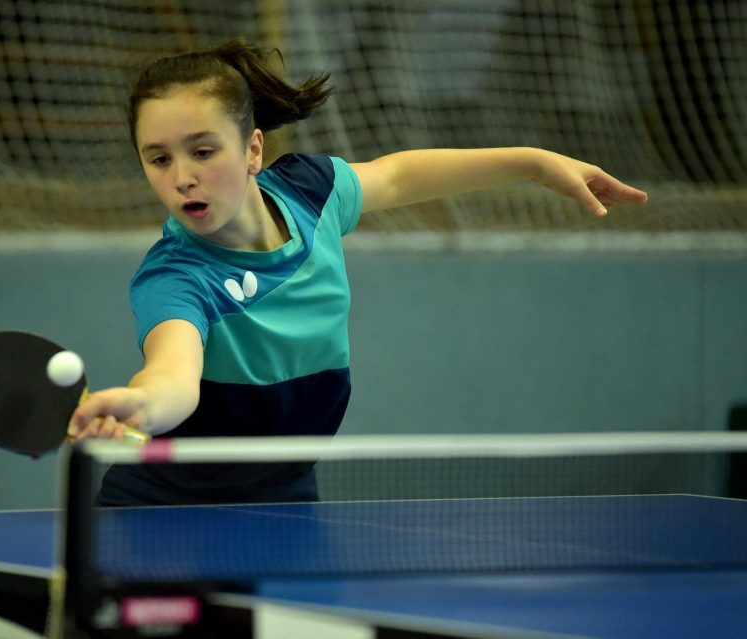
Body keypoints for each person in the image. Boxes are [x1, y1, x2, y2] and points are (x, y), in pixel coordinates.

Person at [67, 38, 648, 506]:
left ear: (253, 150)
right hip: (166, 511)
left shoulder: (311, 193)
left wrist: (536, 164)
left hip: (284, 496)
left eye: (203, 150)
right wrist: (142, 405)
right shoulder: (176, 278)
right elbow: (174, 375)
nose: (181, 177)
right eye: (159, 158)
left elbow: (397, 176)